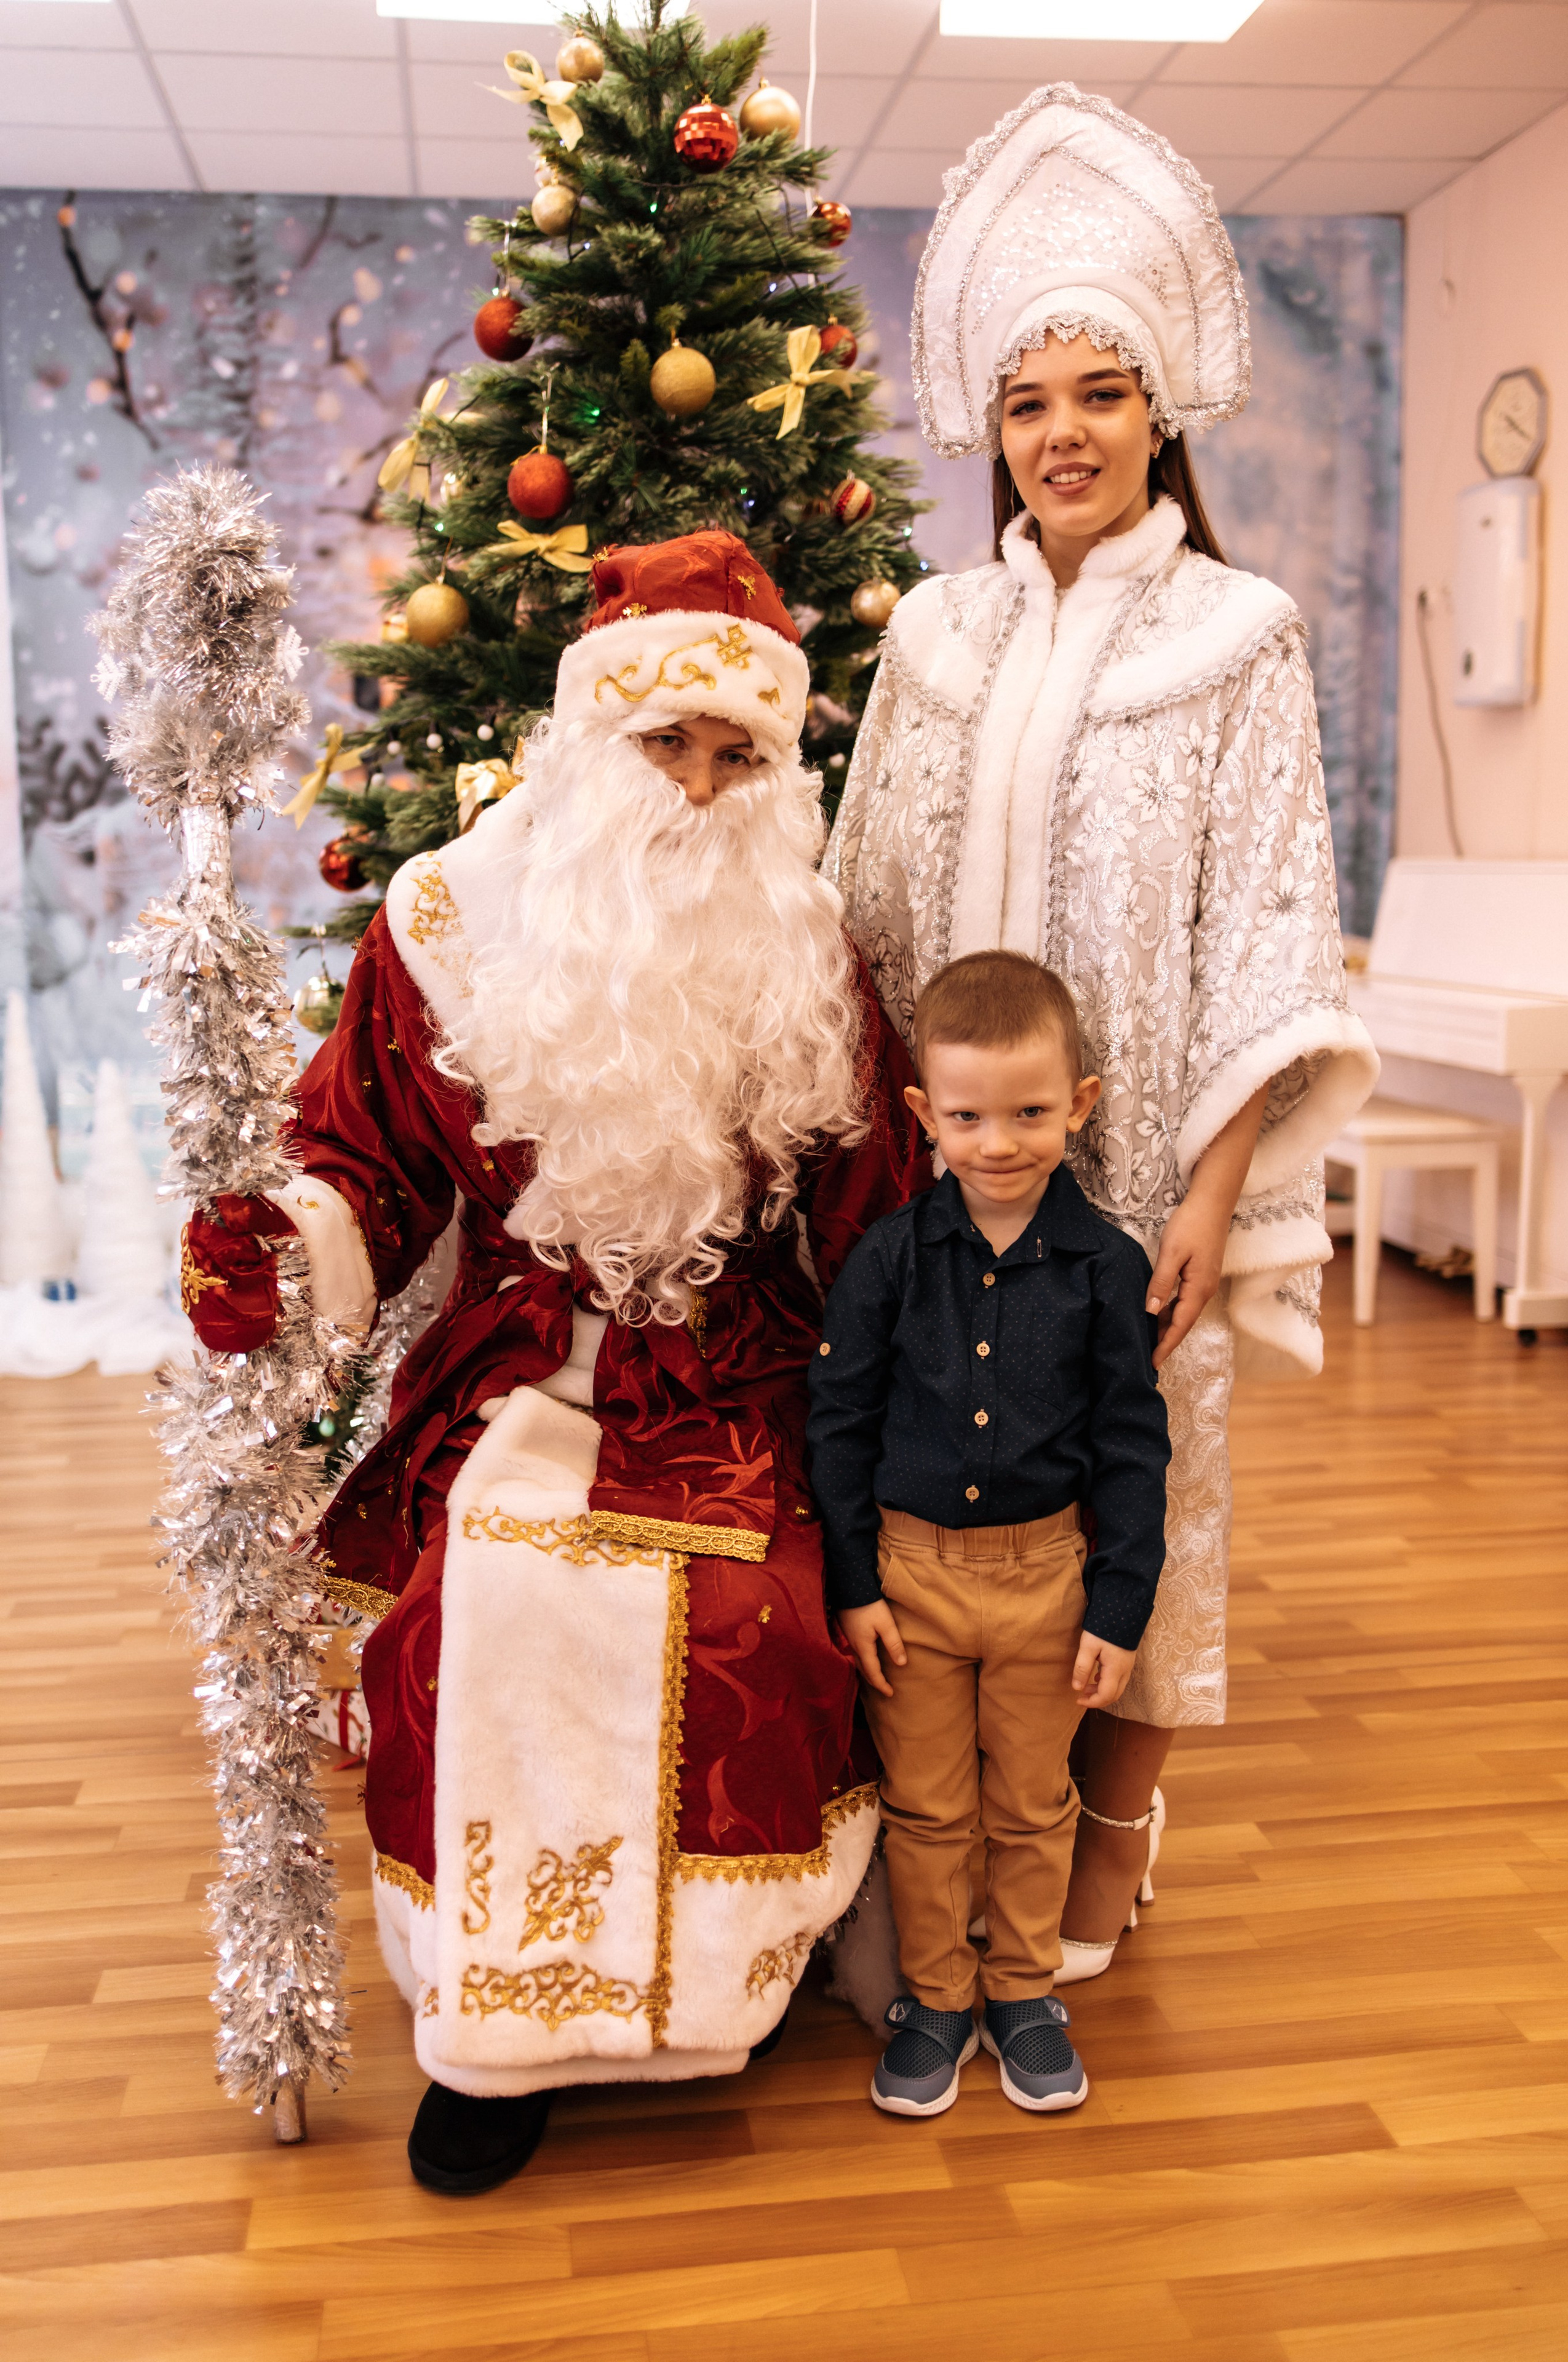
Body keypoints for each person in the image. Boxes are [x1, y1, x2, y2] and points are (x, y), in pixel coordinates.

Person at [181, 531, 931, 2193]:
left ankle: (732, 1986)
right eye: (667, 740)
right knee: (477, 1614)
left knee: (763, 1617)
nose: (698, 784)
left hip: (742, 1375)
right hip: (522, 1367)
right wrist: (277, 1238)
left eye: (740, 753)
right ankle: (492, 2043)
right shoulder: (446, 923)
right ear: (594, 738)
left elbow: (884, 1218)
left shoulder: (810, 955)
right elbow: (358, 1158)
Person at [827, 85, 1377, 1979]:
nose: (1062, 436)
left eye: (1101, 395)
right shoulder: (934, 639)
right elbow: (868, 907)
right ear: (993, 424)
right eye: (1028, 402)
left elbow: (1271, 931)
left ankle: (1113, 1824)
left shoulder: (1241, 639)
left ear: (1161, 414)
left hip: (1131, 1191)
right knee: (935, 1517)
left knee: (1139, 1517)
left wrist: (1212, 1194)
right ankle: (928, 1841)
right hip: (937, 1186)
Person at [806, 951, 1170, 2115]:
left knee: (1031, 1801)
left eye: (1029, 1113)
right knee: (927, 1807)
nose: (1000, 1143)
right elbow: (841, 1426)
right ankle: (935, 1999)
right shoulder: (888, 1265)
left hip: (1046, 1581)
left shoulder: (1109, 1270)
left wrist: (1118, 1608)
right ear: (924, 1115)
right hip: (909, 1581)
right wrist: (855, 1586)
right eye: (967, 1116)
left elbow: (1131, 1446)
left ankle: (1023, 1992)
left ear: (1082, 1104)